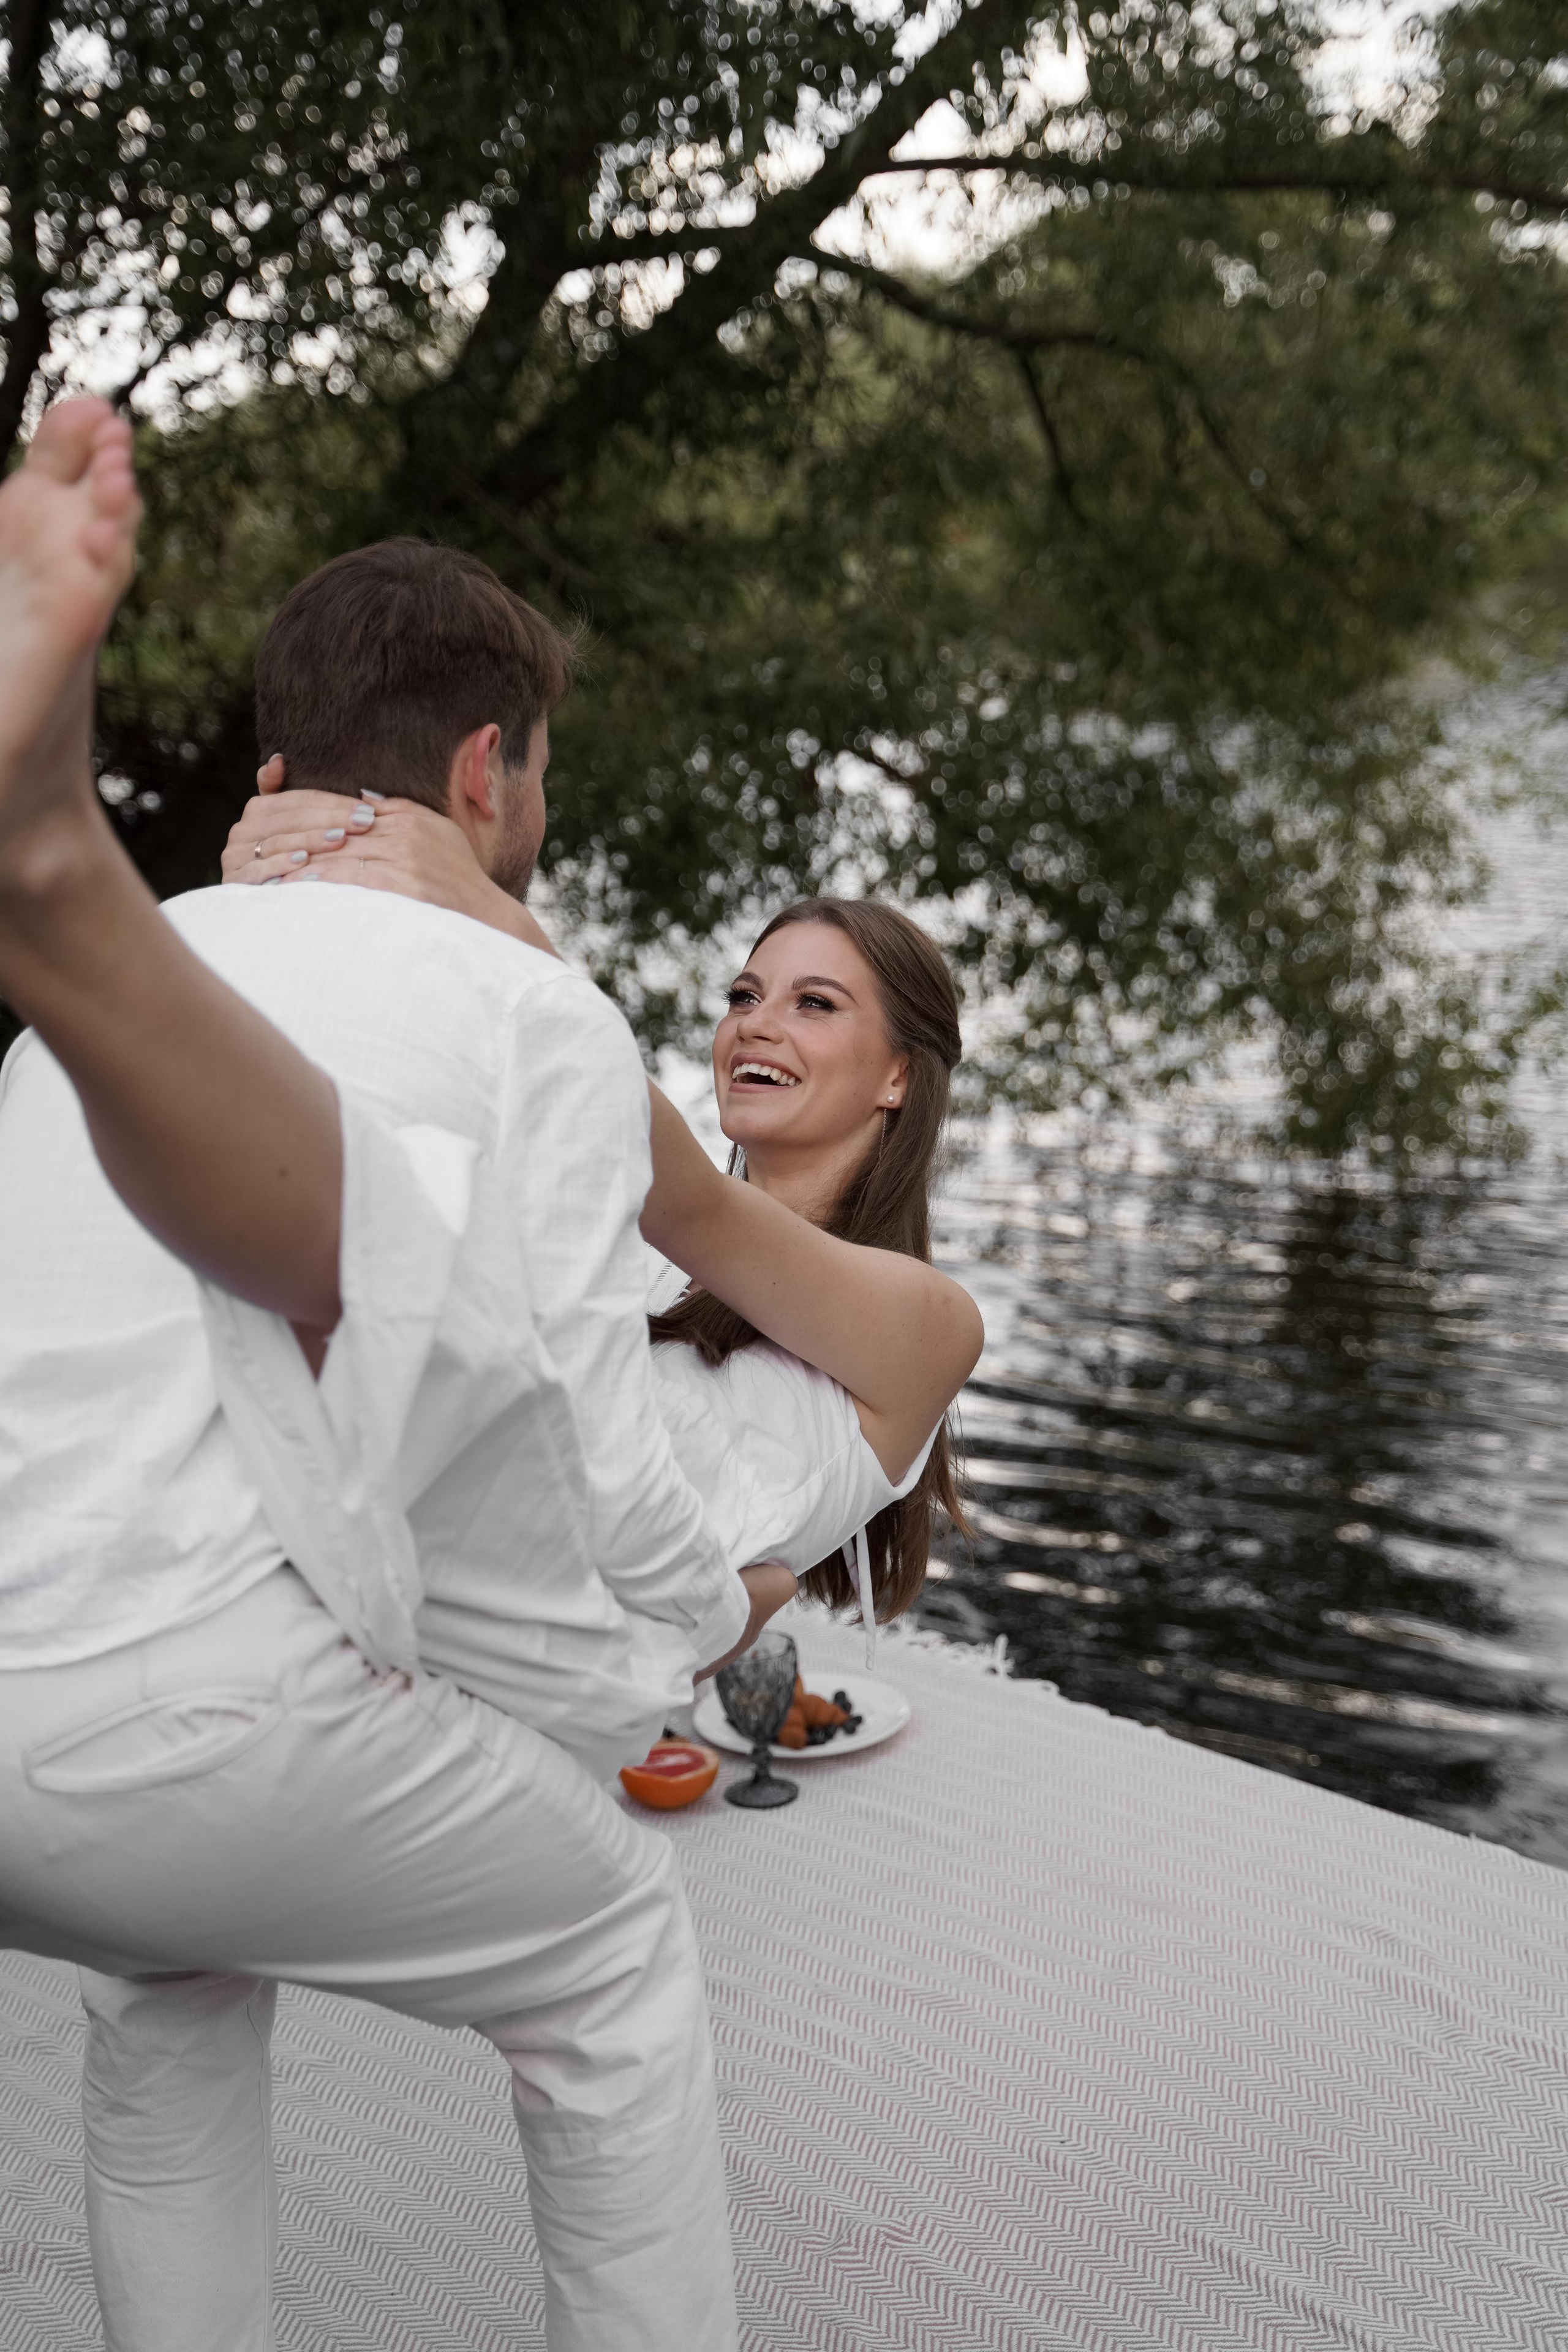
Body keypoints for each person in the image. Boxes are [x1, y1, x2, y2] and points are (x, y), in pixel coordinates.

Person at [0, 400, 764, 2352]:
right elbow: (590, 1458)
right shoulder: (534, 1007)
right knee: (610, 1963)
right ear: (489, 768)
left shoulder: (132, 981)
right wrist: (715, 1617)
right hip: (214, 1732)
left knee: (165, 1984)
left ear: (272, 764)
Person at [224, 773, 975, 1675]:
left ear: (899, 1077)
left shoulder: (933, 1326)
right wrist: (286, 903)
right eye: (744, 997)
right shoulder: (631, 1242)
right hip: (372, 1585)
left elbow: (694, 1206)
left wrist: (475, 904)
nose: (754, 1026)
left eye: (813, 1004)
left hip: (467, 1661)